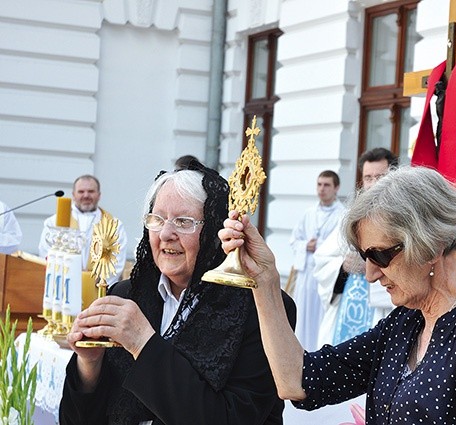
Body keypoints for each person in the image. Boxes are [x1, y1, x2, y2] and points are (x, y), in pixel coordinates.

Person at [220, 166, 456, 424]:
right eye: (364, 256)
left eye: (381, 256)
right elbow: (300, 381)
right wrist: (264, 279)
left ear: (431, 244)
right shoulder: (407, 321)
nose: (370, 274)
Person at [59, 162, 296, 424]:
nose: (166, 233)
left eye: (184, 222)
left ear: (216, 232)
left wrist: (143, 342)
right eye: (157, 219)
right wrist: (89, 364)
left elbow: (233, 418)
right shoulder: (126, 295)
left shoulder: (260, 308)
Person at [314, 148, 398, 348]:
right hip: (346, 311)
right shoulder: (351, 216)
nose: (374, 184)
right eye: (368, 178)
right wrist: (343, 267)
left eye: (380, 177)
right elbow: (322, 260)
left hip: (383, 312)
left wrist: (377, 263)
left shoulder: (401, 219)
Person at [289, 170, 344, 350]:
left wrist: (320, 245)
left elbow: (341, 245)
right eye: (319, 184)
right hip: (306, 277)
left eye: (327, 185)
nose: (322, 189)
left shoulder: (342, 215)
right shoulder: (309, 213)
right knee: (303, 317)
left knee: (320, 319)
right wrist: (305, 245)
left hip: (325, 279)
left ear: (336, 188)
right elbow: (294, 240)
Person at [39, 175, 128, 286]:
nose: (86, 195)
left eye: (91, 191)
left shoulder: (113, 225)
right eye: (81, 192)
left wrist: (99, 284)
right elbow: (46, 253)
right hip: (64, 286)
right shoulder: (54, 223)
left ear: (99, 195)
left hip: (99, 290)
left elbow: (116, 261)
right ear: (73, 195)